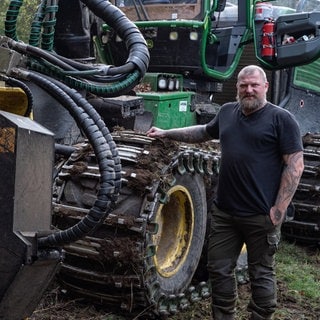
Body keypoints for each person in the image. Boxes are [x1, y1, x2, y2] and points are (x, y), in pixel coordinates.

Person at [146, 65, 304, 320]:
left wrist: (278, 210)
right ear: (238, 88)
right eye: (243, 85)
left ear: (265, 87)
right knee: (219, 270)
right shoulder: (228, 111)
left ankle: (260, 316)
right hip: (225, 213)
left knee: (260, 273)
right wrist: (166, 133)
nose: (249, 90)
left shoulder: (281, 119)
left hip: (260, 215)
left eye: (254, 85)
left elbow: (295, 165)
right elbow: (203, 132)